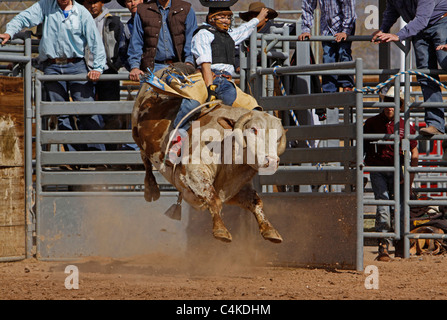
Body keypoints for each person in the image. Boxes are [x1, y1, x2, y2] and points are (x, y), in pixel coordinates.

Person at [0, 0, 107, 152]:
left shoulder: (81, 12)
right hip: (52, 66)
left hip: (76, 65)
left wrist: (97, 67)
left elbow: (95, 41)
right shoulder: (45, 6)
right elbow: (24, 17)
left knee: (86, 109)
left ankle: (97, 155)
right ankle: (73, 157)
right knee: (61, 113)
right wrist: (10, 31)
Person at [166, 1, 268, 159]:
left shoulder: (228, 36)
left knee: (252, 108)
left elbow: (244, 30)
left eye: (228, 17)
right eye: (222, 17)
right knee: (191, 105)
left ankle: (258, 149)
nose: (226, 20)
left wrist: (259, 18)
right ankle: (176, 143)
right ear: (212, 18)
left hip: (226, 82)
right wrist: (210, 88)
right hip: (206, 77)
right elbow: (205, 64)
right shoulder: (203, 34)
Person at [371, 0, 447, 136]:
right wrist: (383, 29)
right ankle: (435, 124)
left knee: (444, 60)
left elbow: (422, 19)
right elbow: (391, 11)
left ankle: (436, 123)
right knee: (425, 74)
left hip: (441, 21)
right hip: (420, 29)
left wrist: (398, 35)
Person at [364, 86, 419, 261]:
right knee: (384, 206)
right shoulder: (372, 124)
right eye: (387, 103)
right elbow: (363, 150)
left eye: (394, 103)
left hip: (399, 171)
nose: (389, 107)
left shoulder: (405, 126)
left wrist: (410, 177)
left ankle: (399, 243)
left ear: (400, 105)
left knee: (400, 207)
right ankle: (384, 246)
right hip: (379, 169)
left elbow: (414, 152)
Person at [81, 0, 125, 150]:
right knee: (86, 112)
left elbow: (122, 43)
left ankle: (112, 152)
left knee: (110, 113)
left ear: (101, 3)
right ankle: (93, 151)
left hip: (107, 71)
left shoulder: (114, 21)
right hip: (86, 70)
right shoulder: (81, 19)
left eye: (95, 2)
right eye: (88, 2)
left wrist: (115, 65)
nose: (92, 6)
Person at [127, 0, 197, 81]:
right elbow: (136, 41)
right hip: (152, 69)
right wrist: (135, 67)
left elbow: (191, 40)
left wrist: (189, 63)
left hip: (180, 68)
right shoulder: (142, 10)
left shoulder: (186, 9)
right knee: (148, 93)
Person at [298, 0, 356, 95]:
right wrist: (306, 29)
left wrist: (346, 30)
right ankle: (329, 91)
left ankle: (347, 86)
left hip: (344, 23)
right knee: (327, 57)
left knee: (344, 53)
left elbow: (349, 7)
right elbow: (308, 6)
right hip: (327, 27)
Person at [117, 0, 144, 72]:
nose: (133, 4)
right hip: (141, 72)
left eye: (135, 0)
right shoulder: (127, 27)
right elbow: (122, 52)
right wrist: (133, 68)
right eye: (129, 1)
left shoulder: (156, 20)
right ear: (125, 4)